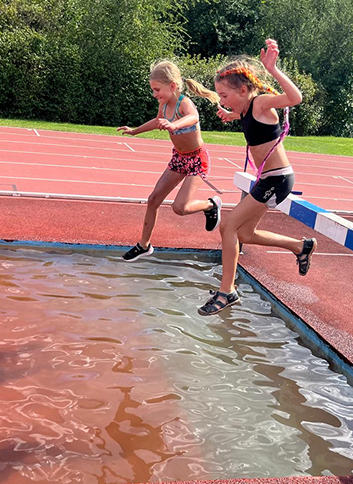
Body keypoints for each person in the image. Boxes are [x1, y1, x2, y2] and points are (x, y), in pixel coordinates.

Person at [198, 38, 317, 316]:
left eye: (224, 96)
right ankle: (300, 246)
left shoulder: (261, 103)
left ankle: (226, 291)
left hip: (277, 179)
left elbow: (295, 98)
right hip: (267, 179)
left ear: (243, 90)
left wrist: (273, 70)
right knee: (244, 233)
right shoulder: (245, 110)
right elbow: (248, 120)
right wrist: (230, 115)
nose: (222, 100)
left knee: (228, 226)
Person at [117, 60, 222, 262]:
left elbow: (193, 117)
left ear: (172, 86)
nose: (154, 94)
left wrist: (175, 125)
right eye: (153, 90)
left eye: (157, 89)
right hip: (179, 158)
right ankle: (144, 245)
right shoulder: (164, 105)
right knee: (153, 199)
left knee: (179, 208)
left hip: (197, 159)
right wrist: (135, 131)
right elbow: (157, 121)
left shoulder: (184, 103)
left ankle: (210, 205)